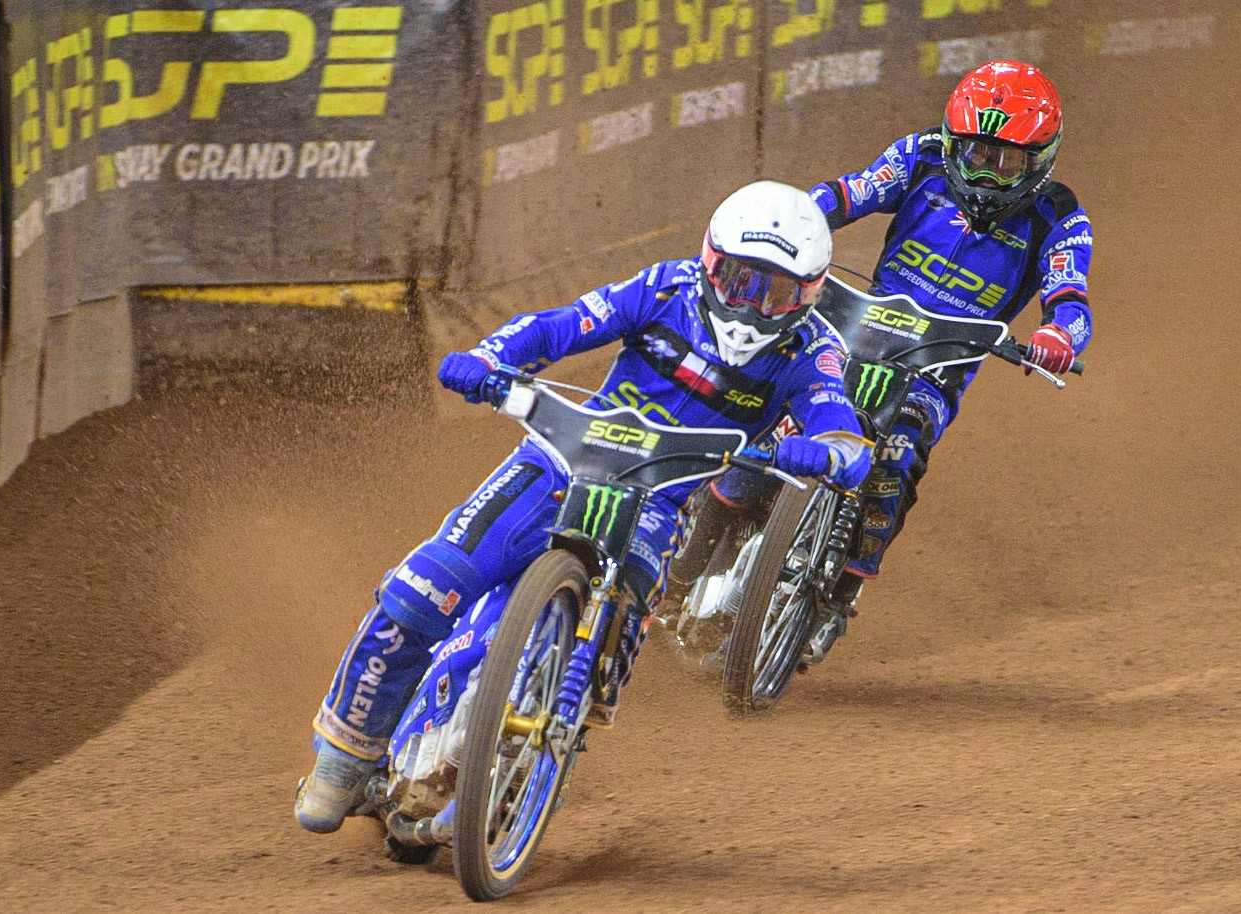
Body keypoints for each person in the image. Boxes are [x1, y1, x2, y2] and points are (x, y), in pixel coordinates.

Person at [294, 180, 873, 833]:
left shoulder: (812, 351)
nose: (749, 305)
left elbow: (843, 432)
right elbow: (561, 326)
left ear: (809, 292)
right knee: (420, 592)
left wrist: (824, 454)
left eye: (773, 292)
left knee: (615, 637)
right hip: (559, 464)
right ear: (710, 263)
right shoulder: (662, 289)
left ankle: (550, 748)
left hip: (661, 503)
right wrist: (491, 358)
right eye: (738, 280)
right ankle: (343, 761)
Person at [672, 60, 1093, 661]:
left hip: (935, 369)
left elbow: (1071, 295)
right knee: (767, 418)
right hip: (854, 333)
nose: (990, 175)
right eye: (977, 155)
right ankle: (681, 572)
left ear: (1041, 161)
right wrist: (796, 222)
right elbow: (848, 194)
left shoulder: (1060, 215)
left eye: (1009, 163)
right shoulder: (918, 158)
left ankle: (837, 597)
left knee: (899, 455)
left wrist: (1060, 336)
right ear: (952, 143)